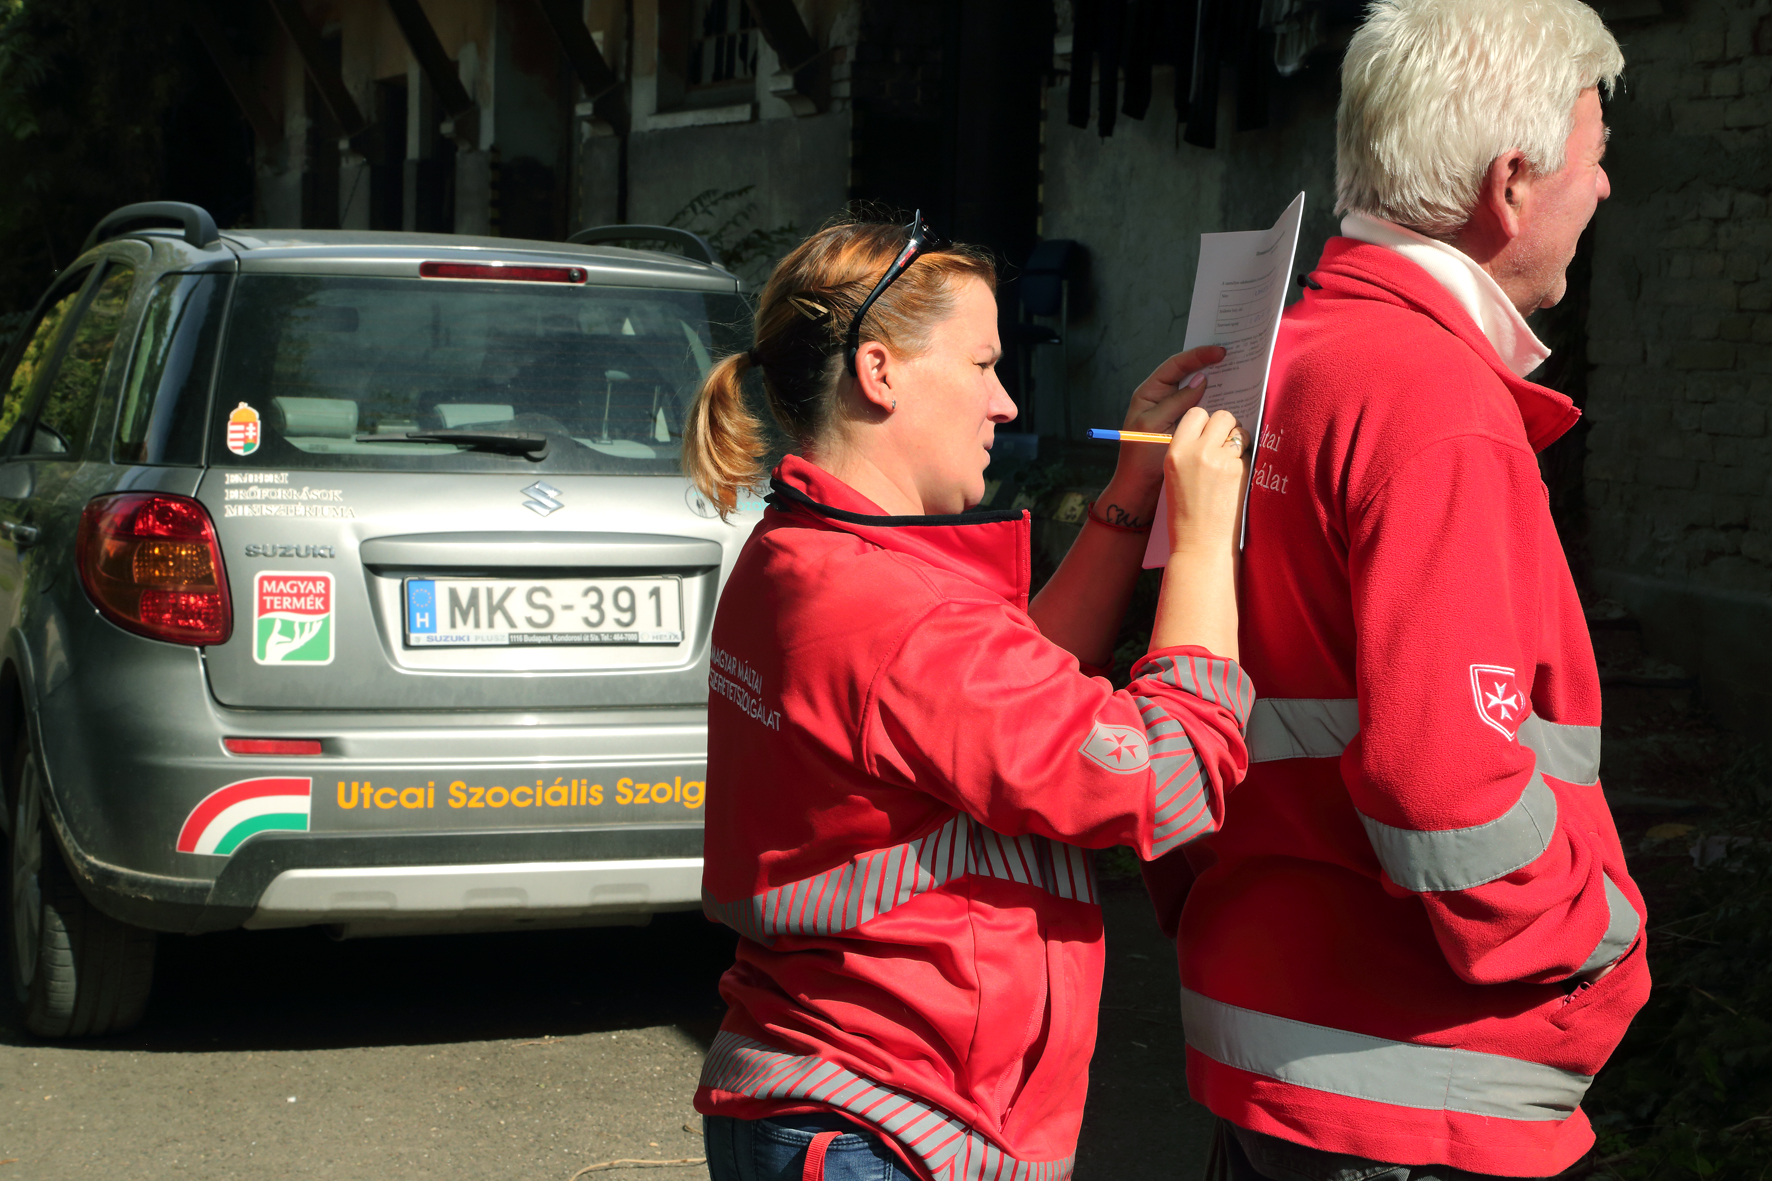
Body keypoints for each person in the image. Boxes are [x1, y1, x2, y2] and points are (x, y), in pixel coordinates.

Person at [1145, 1, 1647, 1178]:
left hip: (1270, 1028)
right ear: (1509, 184)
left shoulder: (1276, 356)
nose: (1605, 191)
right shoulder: (1433, 404)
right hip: (1410, 1075)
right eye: (1596, 157)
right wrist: (1593, 942)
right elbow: (1445, 790)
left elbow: (1184, 685)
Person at [682, 214, 1253, 1181]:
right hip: (888, 1121)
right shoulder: (895, 614)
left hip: (827, 1097)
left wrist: (1128, 497)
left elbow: (1002, 702)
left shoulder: (803, 555)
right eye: (984, 362)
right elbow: (1166, 776)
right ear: (880, 371)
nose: (1003, 400)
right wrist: (1202, 540)